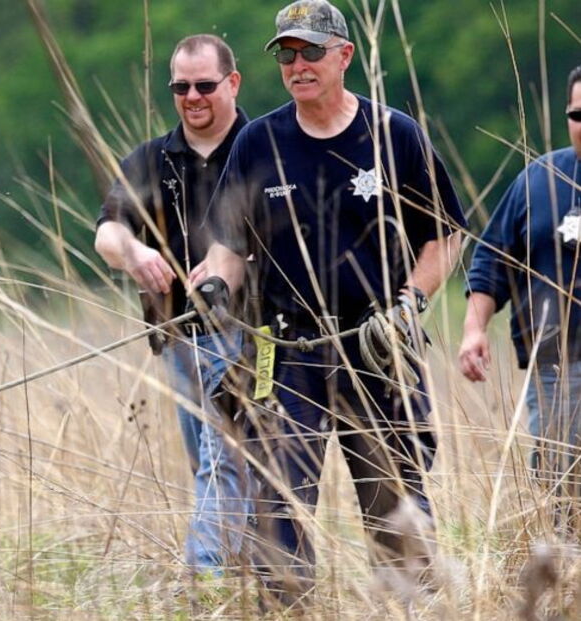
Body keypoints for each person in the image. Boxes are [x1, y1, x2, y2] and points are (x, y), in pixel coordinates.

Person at [193, 0, 467, 601]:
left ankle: (410, 609)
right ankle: (288, 611)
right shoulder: (257, 141)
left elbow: (444, 234)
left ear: (344, 55)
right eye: (287, 55)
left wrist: (410, 302)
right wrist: (215, 284)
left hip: (377, 346)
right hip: (287, 353)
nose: (298, 64)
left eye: (311, 51)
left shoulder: (394, 134)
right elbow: (228, 247)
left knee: (395, 504)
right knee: (277, 508)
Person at [94, 34, 253, 575]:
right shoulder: (148, 159)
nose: (193, 97)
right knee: (212, 464)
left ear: (232, 83)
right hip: (179, 338)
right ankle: (247, 580)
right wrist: (134, 251)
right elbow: (107, 232)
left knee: (224, 459)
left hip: (254, 336)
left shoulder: (266, 147)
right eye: (180, 87)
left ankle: (204, 579)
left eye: (205, 85)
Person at [459, 65, 581, 529]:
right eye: (576, 113)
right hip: (555, 367)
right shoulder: (538, 180)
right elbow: (490, 263)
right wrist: (473, 330)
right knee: (561, 487)